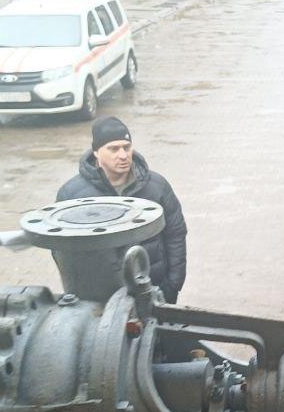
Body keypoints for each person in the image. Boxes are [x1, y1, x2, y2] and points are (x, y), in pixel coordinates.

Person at [57, 116, 188, 303]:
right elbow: (63, 250)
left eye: (126, 147)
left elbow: (176, 233)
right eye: (113, 149)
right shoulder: (72, 195)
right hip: (100, 298)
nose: (123, 155)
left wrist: (173, 284)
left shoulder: (157, 186)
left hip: (154, 290)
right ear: (96, 152)